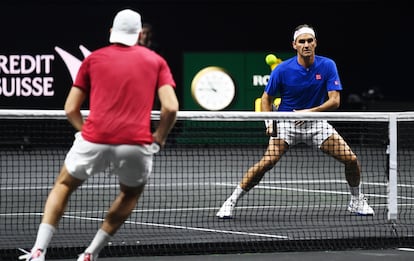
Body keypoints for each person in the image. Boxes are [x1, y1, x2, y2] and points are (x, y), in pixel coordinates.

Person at [19, 8, 179, 261]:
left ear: (111, 32)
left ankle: (38, 250)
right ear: (139, 34)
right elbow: (170, 107)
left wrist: (86, 132)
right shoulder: (156, 61)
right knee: (130, 193)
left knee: (63, 184)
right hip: (135, 144)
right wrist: (159, 137)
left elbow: (71, 108)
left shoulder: (93, 59)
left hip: (94, 139)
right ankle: (90, 254)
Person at [216, 24, 374, 219]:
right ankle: (231, 201)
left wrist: (308, 113)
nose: (306, 45)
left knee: (351, 160)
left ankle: (356, 201)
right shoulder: (282, 70)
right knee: (268, 161)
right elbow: (266, 98)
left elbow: (335, 101)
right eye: (302, 41)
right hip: (286, 124)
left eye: (309, 41)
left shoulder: (327, 65)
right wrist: (270, 122)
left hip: (315, 123)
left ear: (315, 43)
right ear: (295, 45)